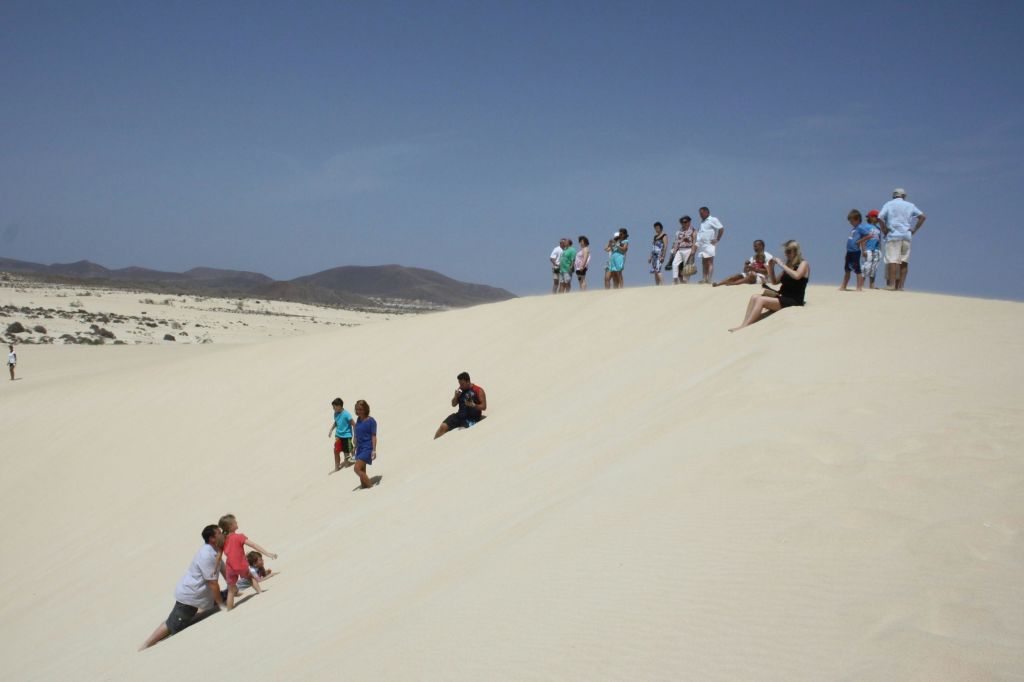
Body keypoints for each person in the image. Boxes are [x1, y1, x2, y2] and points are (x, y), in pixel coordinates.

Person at [139, 524, 227, 650]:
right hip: (190, 597)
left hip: (200, 596)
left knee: (190, 614)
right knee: (173, 624)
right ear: (212, 538)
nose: (222, 534)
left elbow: (223, 569)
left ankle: (204, 607)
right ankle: (147, 645)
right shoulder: (206, 555)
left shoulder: (215, 550)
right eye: (219, 533)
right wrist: (221, 605)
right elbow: (212, 583)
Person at [729, 240, 810, 332]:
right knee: (754, 297)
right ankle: (743, 324)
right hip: (782, 297)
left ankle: (745, 327)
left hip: (794, 300)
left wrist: (782, 264)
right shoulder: (789, 266)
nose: (786, 254)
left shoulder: (803, 264)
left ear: (795, 251)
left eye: (788, 251)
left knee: (761, 299)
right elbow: (775, 282)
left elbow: (797, 276)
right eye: (785, 252)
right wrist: (771, 268)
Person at [218, 514, 277, 610]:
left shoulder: (223, 540)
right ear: (230, 526)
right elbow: (253, 545)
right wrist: (267, 553)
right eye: (235, 522)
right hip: (240, 565)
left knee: (231, 590)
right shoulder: (239, 537)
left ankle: (229, 609)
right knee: (250, 577)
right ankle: (260, 593)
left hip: (230, 567)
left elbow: (219, 555)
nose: (237, 523)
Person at [878, 188, 926, 290]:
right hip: (906, 235)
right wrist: (914, 230)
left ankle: (891, 284)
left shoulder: (889, 204)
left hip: (893, 234)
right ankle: (901, 286)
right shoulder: (910, 205)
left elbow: (880, 217)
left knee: (892, 260)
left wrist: (884, 229)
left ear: (894, 196)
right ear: (903, 196)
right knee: (904, 261)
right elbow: (922, 217)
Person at [434, 371, 487, 439]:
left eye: (462, 384)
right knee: (443, 427)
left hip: (472, 419)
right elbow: (453, 404)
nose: (460, 386)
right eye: (459, 383)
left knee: (460, 434)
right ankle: (433, 445)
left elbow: (484, 407)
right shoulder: (460, 390)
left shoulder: (478, 390)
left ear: (468, 381)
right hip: (459, 416)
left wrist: (473, 405)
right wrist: (456, 396)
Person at [840, 209, 871, 292]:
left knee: (857, 269)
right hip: (849, 251)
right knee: (847, 269)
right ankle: (843, 286)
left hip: (855, 251)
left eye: (851, 221)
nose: (850, 223)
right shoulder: (854, 229)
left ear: (857, 219)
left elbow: (869, 235)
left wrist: (859, 241)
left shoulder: (860, 228)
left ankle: (859, 287)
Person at [352, 399, 377, 489]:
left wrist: (374, 450)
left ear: (366, 409)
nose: (359, 412)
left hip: (367, 448)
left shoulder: (371, 421)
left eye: (361, 409)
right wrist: (354, 446)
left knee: (356, 468)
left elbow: (374, 436)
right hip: (359, 448)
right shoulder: (358, 419)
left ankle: (371, 487)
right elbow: (357, 432)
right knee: (362, 472)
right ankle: (366, 487)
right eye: (357, 409)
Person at [696, 207, 725, 284]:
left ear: (706, 212)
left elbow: (721, 229)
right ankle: (704, 278)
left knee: (709, 261)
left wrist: (717, 239)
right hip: (702, 244)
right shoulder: (702, 221)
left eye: (701, 213)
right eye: (700, 213)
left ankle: (709, 278)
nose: (700, 215)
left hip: (710, 244)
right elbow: (701, 232)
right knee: (704, 261)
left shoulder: (713, 219)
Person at [328, 397, 356, 471]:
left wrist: (355, 436)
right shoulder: (335, 414)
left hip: (347, 436)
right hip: (338, 436)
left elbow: (354, 424)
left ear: (339, 406)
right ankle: (337, 467)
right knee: (336, 451)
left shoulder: (347, 415)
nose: (333, 408)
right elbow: (336, 422)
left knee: (347, 458)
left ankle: (353, 456)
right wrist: (331, 429)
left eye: (334, 407)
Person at [669, 216, 696, 284]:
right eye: (682, 222)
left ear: (689, 222)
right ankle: (675, 279)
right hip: (680, 249)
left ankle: (685, 281)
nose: (684, 224)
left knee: (687, 266)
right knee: (674, 263)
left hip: (688, 249)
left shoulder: (693, 230)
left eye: (685, 222)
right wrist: (674, 250)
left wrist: (693, 250)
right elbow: (676, 241)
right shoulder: (679, 231)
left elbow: (695, 241)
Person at [861, 210, 883, 289]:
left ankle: (872, 285)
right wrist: (863, 250)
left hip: (876, 250)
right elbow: (863, 239)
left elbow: (879, 240)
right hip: (868, 249)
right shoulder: (865, 227)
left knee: (874, 268)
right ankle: (861, 284)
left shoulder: (878, 229)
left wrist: (880, 249)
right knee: (866, 267)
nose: (877, 219)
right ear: (870, 217)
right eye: (875, 217)